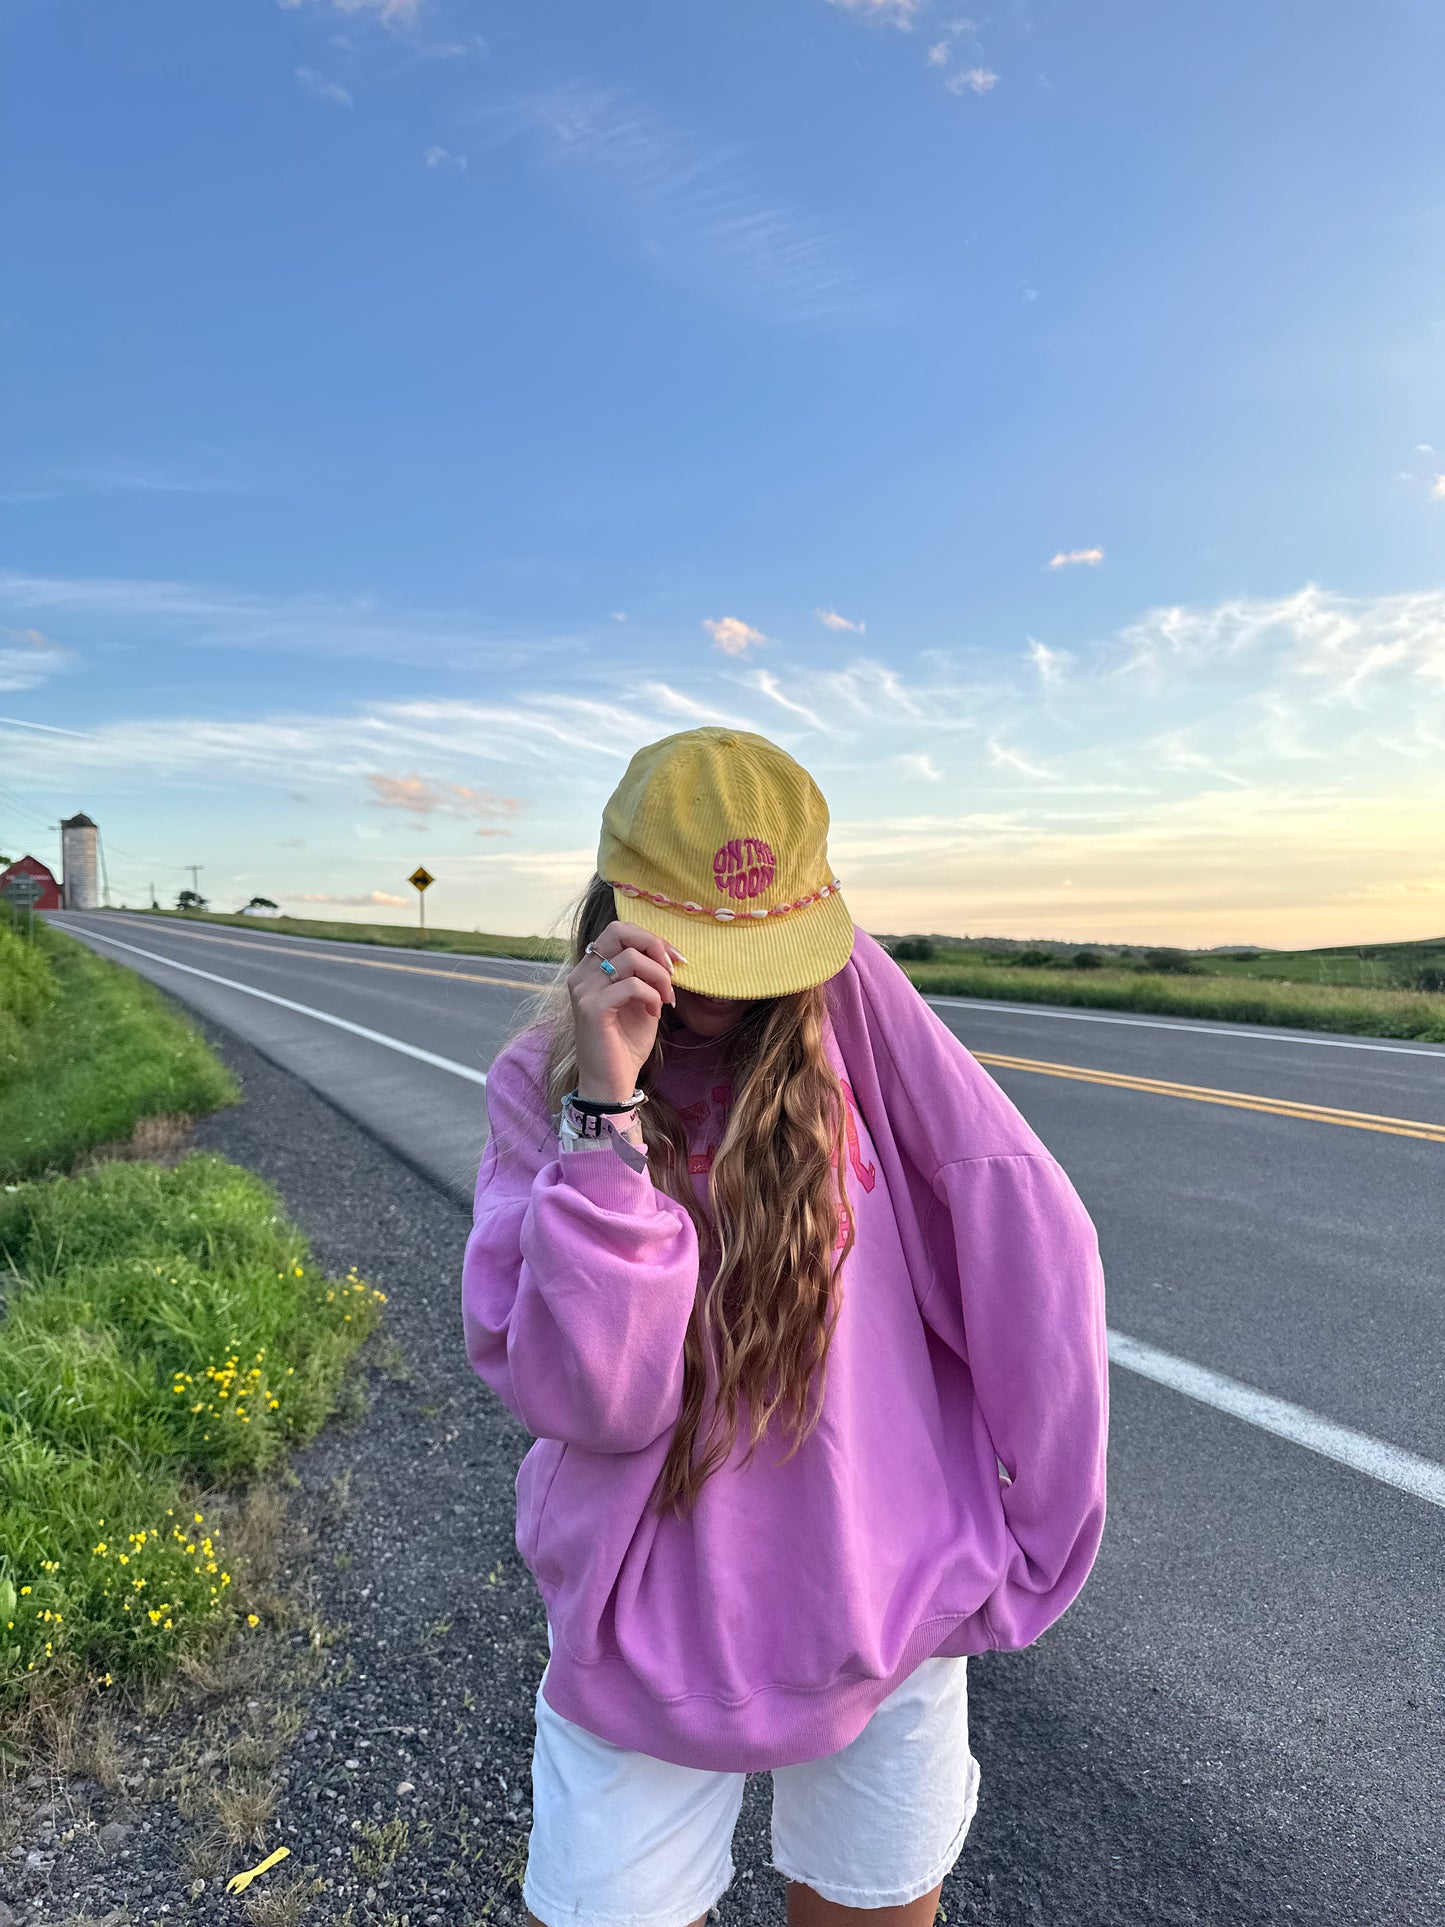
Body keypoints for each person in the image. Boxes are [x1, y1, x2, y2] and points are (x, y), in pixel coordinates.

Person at [462, 726, 1109, 1927]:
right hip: (640, 1626)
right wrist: (605, 1118)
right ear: (614, 905)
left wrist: (1041, 1537)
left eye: (758, 950)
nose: (729, 986)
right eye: (698, 945)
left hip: (882, 1597)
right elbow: (595, 1400)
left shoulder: (853, 1018)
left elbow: (1026, 1232)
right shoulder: (546, 1082)